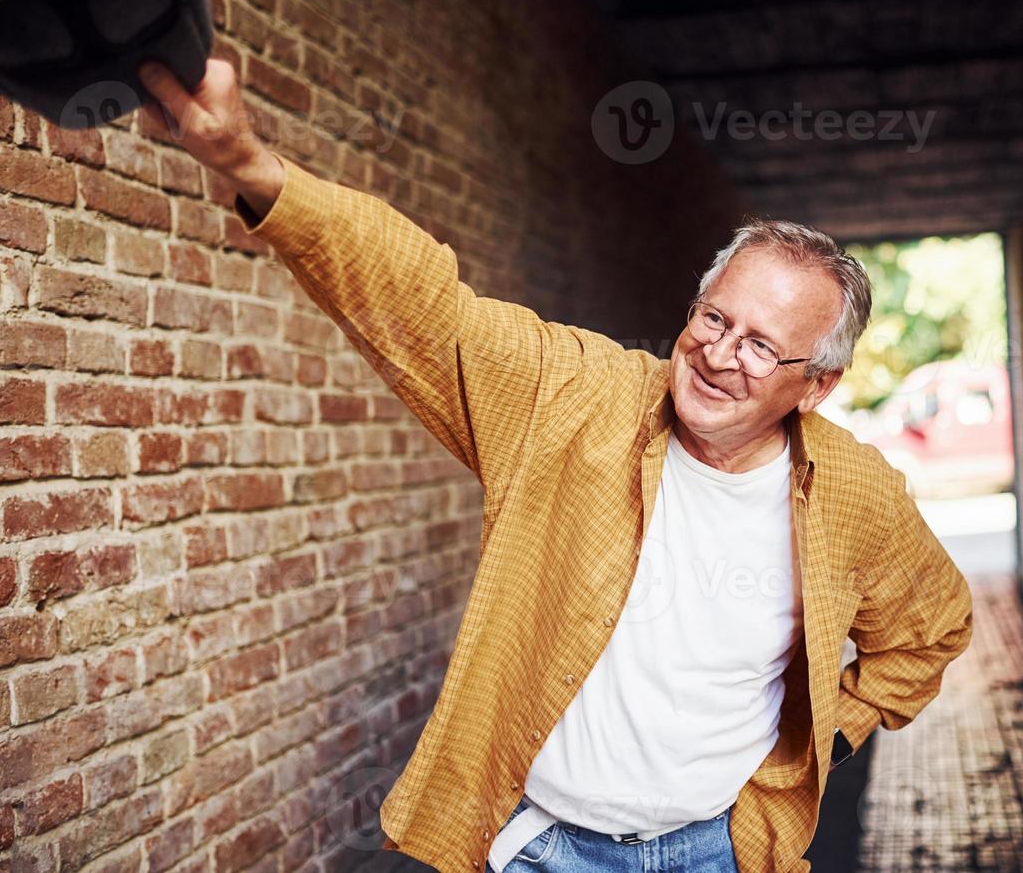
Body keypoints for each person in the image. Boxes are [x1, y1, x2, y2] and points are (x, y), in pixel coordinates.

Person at [137, 58, 974, 873]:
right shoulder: (577, 397)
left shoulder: (854, 492)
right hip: (545, 849)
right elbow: (426, 306)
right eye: (714, 318)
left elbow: (931, 631)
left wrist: (819, 736)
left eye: (762, 346)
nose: (720, 356)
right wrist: (248, 164)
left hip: (720, 849)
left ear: (817, 385)